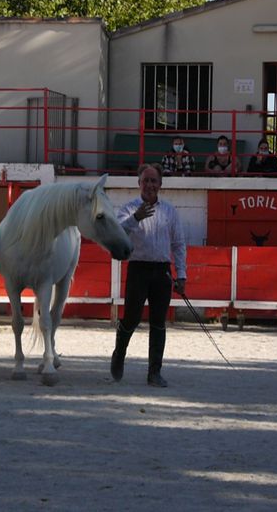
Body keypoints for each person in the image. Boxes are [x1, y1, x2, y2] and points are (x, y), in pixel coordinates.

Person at [110, 163, 187, 387]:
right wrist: (136, 218)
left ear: (160, 184)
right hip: (138, 268)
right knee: (131, 318)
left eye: (154, 181)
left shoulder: (170, 211)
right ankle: (119, 353)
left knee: (158, 322)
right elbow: (118, 233)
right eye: (146, 180)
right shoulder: (128, 208)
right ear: (139, 183)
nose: (150, 185)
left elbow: (178, 244)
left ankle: (154, 372)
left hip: (162, 270)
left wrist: (181, 275)